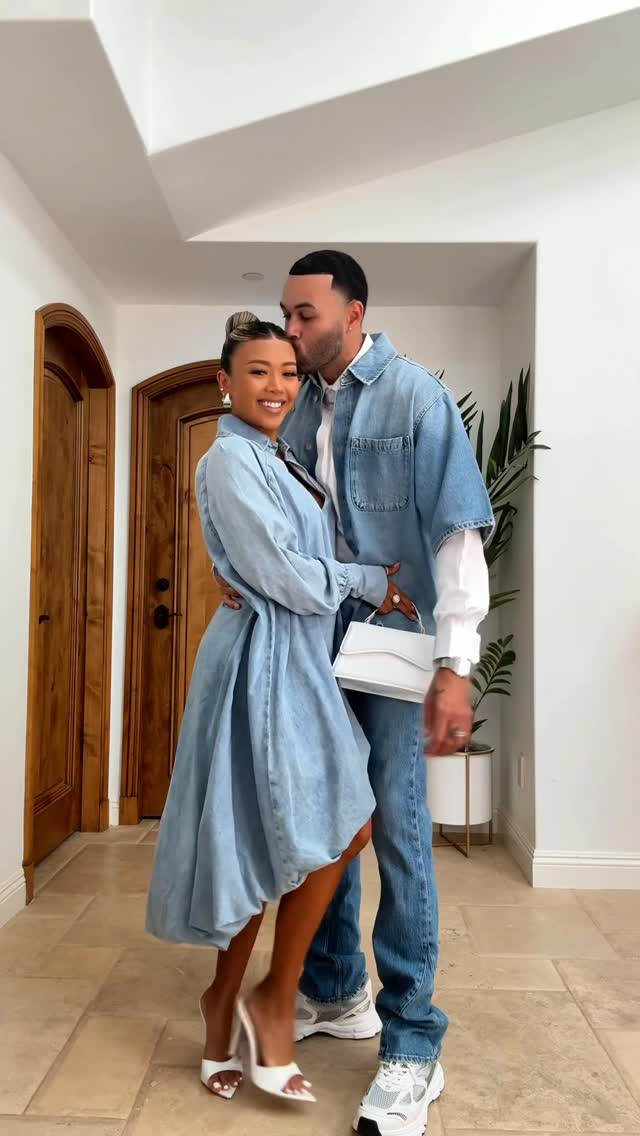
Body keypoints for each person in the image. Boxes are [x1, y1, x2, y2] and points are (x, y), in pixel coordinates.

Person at [219, 252, 493, 1136]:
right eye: (286, 314)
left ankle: (413, 1040)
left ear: (354, 312)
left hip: (398, 645)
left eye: (305, 315)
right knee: (325, 820)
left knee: (400, 831)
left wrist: (456, 664)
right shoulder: (296, 405)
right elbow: (276, 520)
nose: (292, 330)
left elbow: (456, 534)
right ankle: (337, 992)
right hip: (312, 642)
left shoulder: (416, 398)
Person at [146, 311, 415, 1106]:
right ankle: (239, 1005)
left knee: (330, 824)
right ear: (223, 383)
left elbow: (296, 558)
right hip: (259, 662)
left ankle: (255, 997)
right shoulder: (229, 460)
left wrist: (358, 577)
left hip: (299, 658)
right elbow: (287, 577)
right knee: (269, 833)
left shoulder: (280, 455)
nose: (276, 386)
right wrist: (366, 583)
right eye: (258, 371)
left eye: (288, 372)